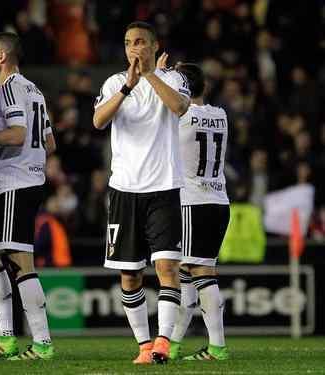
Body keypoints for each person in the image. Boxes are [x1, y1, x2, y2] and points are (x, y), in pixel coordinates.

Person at [93, 21, 190, 365]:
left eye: (139, 42)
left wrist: (150, 76)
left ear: (152, 45)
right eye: (128, 43)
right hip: (125, 190)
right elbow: (99, 122)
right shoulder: (114, 83)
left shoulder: (173, 79)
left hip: (164, 187)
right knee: (130, 275)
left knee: (166, 266)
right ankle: (144, 346)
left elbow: (179, 107)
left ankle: (163, 341)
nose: (133, 48)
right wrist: (127, 88)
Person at [0, 32, 57, 360]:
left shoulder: (9, 89)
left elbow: (18, 134)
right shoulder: (34, 90)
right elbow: (49, 143)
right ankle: (5, 337)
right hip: (22, 181)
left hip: (18, 185)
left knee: (20, 262)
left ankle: (42, 342)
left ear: (1, 57)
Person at [166, 63, 230, 361]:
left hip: (193, 202)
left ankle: (217, 346)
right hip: (219, 201)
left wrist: (162, 75)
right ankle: (173, 344)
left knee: (200, 272)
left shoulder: (182, 117)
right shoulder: (221, 115)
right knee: (188, 273)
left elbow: (170, 103)